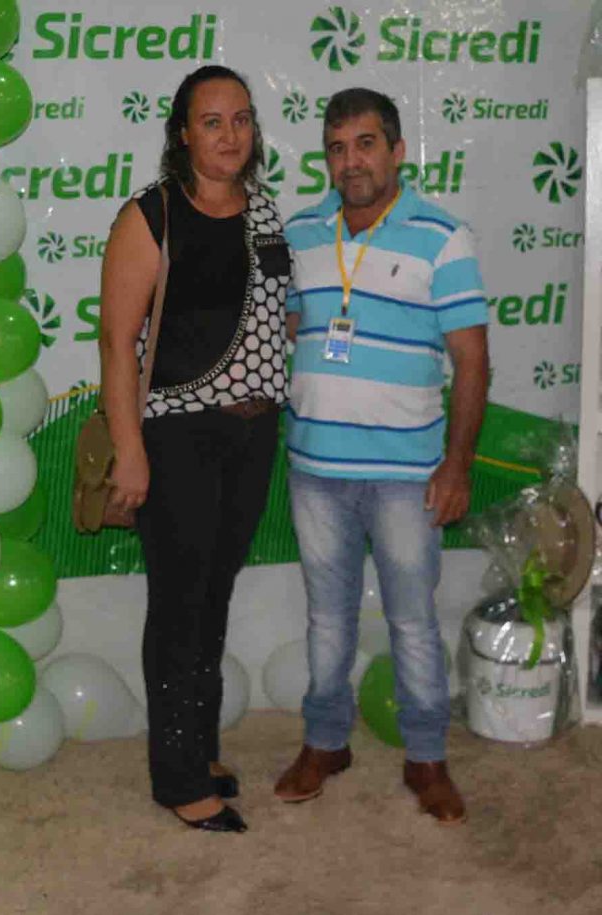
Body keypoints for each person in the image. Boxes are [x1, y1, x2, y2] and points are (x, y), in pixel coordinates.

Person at [275, 88, 489, 824]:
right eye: (337, 148)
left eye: (366, 144)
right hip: (316, 467)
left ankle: (427, 757)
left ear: (397, 151)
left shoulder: (443, 238)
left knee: (412, 621)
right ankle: (324, 741)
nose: (351, 162)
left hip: (407, 474)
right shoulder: (301, 234)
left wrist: (456, 467)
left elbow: (472, 360)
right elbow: (294, 332)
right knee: (327, 618)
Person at [99, 66, 290, 833]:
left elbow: (276, 319)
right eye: (212, 121)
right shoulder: (152, 215)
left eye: (241, 118)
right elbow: (116, 342)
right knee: (180, 604)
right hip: (177, 437)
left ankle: (197, 749)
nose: (230, 134)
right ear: (183, 133)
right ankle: (177, 779)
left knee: (212, 596)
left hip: (253, 435)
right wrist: (129, 450)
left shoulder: (266, 212)